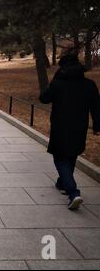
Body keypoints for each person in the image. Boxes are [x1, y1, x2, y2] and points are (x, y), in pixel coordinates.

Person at [40, 47, 100, 210]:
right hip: (79, 126)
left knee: (60, 158)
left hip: (60, 125)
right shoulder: (89, 84)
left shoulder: (58, 84)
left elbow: (44, 98)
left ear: (63, 68)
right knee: (72, 155)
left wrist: (54, 81)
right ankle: (62, 183)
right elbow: (96, 107)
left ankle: (73, 192)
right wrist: (97, 125)